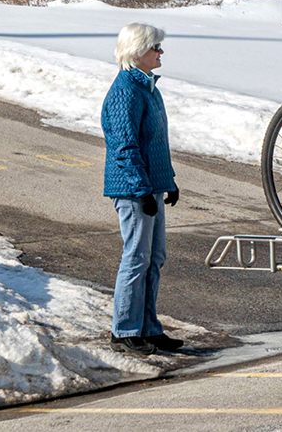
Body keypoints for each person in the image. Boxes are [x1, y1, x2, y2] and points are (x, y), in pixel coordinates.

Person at [101, 23, 183, 355]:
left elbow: (155, 144)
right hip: (134, 190)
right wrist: (140, 190)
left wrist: (169, 182)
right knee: (136, 258)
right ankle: (124, 330)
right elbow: (124, 146)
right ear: (137, 53)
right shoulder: (125, 91)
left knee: (154, 258)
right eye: (155, 47)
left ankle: (148, 328)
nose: (161, 52)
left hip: (151, 187)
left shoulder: (148, 88)